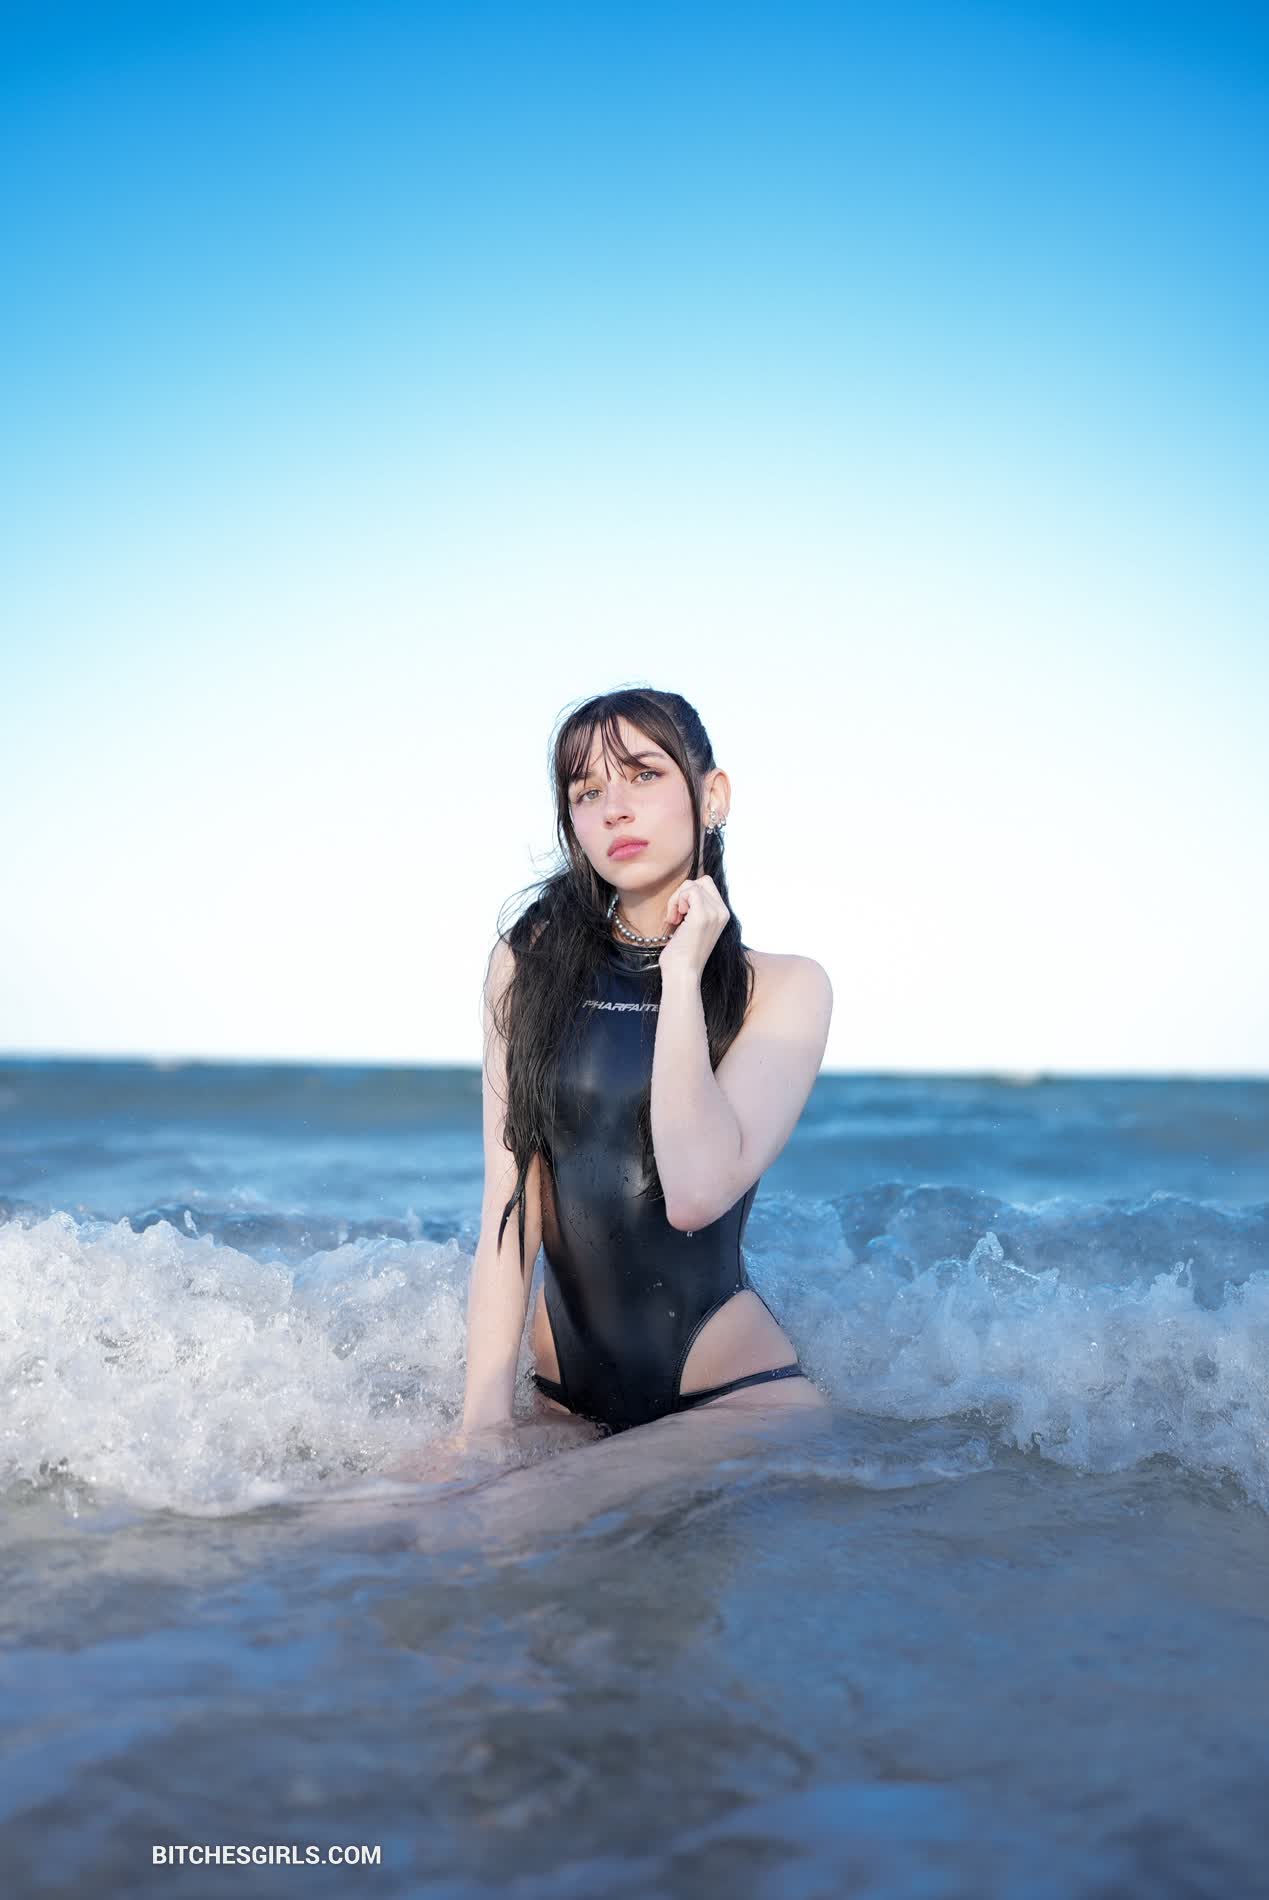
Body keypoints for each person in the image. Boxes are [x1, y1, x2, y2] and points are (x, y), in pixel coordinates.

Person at [461, 686, 833, 1438]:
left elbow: (694, 1194)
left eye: (644, 774)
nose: (614, 810)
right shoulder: (526, 964)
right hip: (560, 1399)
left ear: (712, 796)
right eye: (587, 791)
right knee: (397, 1507)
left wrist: (682, 973)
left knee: (507, 1509)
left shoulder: (784, 988)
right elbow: (510, 1205)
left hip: (731, 1404)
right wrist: (482, 1431)